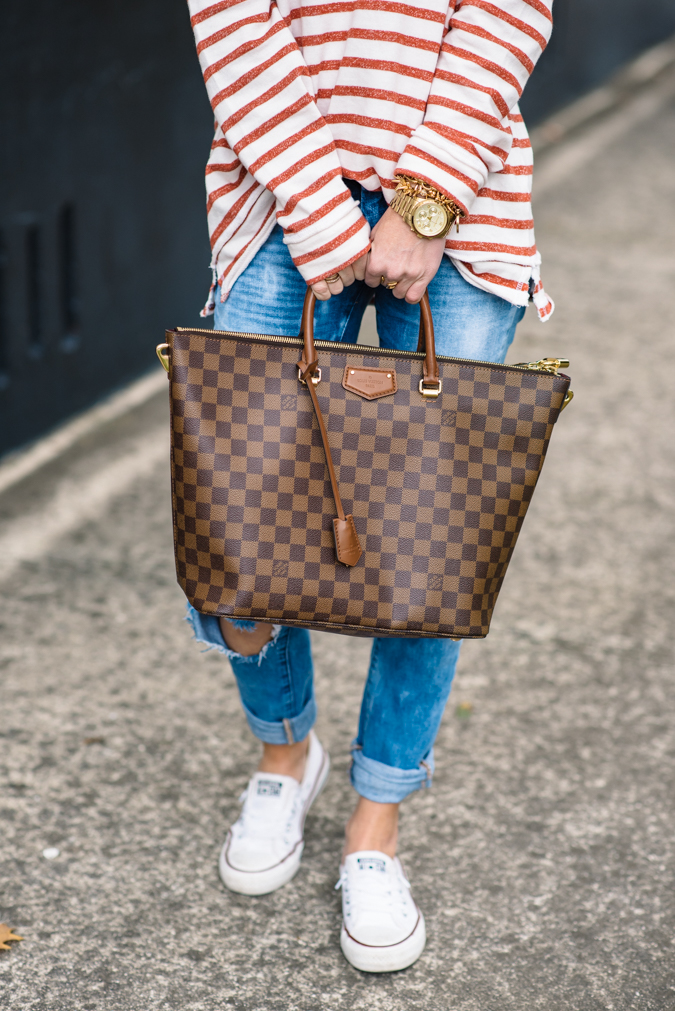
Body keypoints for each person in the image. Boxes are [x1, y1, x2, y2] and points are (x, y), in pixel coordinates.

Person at [186, 0, 553, 973]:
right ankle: (284, 753)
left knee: (428, 545)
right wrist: (316, 205)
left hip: (460, 203)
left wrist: (425, 198)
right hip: (276, 187)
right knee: (238, 531)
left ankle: (375, 826)